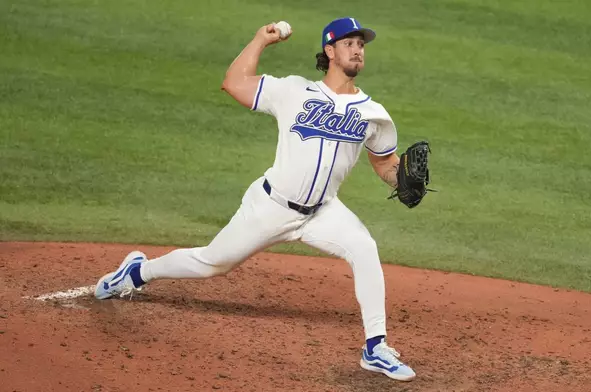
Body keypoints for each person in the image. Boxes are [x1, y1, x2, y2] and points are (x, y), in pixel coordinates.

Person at [94, 17, 417, 381]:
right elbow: (233, 83)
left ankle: (375, 347)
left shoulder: (374, 113)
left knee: (364, 247)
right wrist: (260, 41)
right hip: (271, 206)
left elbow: (384, 162)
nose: (358, 49)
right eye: (349, 43)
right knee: (212, 263)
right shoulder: (294, 91)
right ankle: (137, 272)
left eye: (362, 44)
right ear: (330, 51)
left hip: (323, 211)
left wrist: (403, 179)